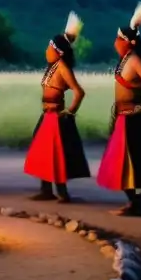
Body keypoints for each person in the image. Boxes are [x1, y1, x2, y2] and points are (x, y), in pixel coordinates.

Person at [96, 2, 141, 216]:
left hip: (132, 119)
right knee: (121, 163)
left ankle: (137, 204)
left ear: (128, 42)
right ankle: (134, 203)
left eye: (118, 39)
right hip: (122, 118)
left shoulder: (135, 61)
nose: (115, 43)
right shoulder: (125, 60)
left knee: (133, 163)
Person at [23, 12, 90, 202]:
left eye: (49, 47)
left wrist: (70, 112)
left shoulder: (62, 67)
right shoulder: (52, 67)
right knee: (43, 153)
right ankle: (46, 190)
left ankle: (62, 193)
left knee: (57, 155)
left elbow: (79, 92)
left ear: (57, 51)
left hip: (56, 116)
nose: (46, 50)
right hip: (47, 115)